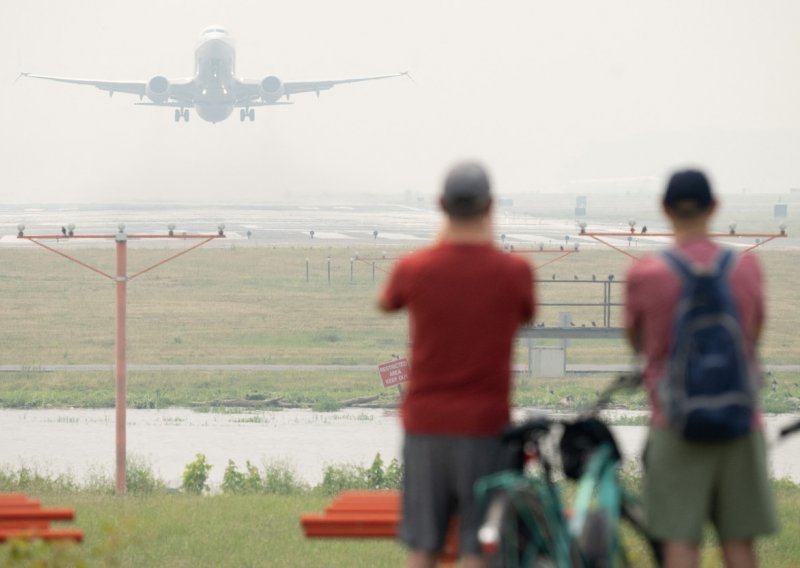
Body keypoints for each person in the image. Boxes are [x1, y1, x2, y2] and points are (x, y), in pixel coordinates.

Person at [378, 161, 535, 568]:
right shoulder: (513, 272)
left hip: (425, 424)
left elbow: (386, 301)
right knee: (476, 547)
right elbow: (526, 312)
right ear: (490, 207)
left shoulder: (415, 268)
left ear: (441, 205)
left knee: (423, 547)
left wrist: (442, 240)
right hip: (484, 428)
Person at [624, 169, 777, 568]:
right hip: (741, 423)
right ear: (714, 207)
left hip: (676, 424)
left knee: (680, 545)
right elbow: (752, 338)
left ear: (664, 209)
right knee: (740, 546)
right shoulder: (746, 268)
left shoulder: (646, 275)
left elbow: (639, 343)